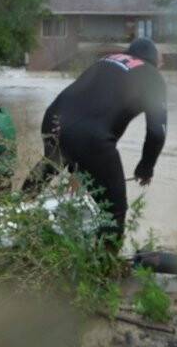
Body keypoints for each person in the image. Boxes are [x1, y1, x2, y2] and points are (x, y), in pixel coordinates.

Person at [21, 38, 167, 245]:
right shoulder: (152, 76)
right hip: (91, 137)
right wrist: (145, 168)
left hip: (53, 119)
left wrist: (77, 170)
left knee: (51, 163)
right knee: (114, 210)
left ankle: (13, 211)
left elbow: (88, 106)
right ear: (153, 60)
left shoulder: (107, 59)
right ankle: (104, 261)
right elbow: (157, 132)